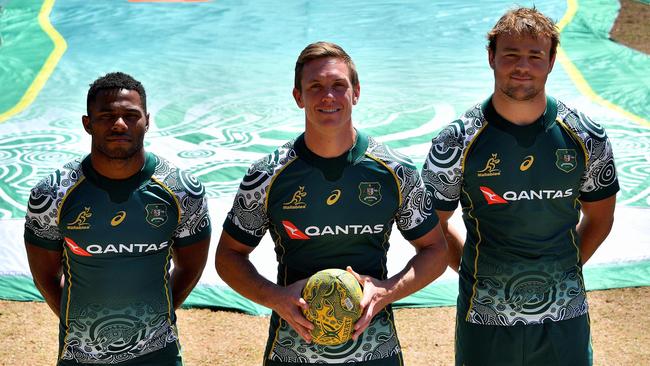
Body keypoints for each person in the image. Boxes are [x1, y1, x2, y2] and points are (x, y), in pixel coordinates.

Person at [215, 41, 448, 365]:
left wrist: (386, 291)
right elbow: (228, 256)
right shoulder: (267, 175)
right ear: (298, 96)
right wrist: (277, 297)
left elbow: (435, 250)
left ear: (356, 92)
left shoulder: (395, 171)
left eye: (339, 85)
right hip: (292, 352)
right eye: (316, 86)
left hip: (375, 352)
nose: (328, 96)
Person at [422, 7, 619, 366]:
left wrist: (562, 269)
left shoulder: (588, 136)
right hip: (486, 317)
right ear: (491, 57)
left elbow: (600, 218)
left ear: (552, 60)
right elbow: (431, 225)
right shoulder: (456, 140)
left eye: (534, 56)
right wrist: (475, 270)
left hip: (565, 315)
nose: (522, 66)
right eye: (511, 54)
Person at [24, 72, 211, 365]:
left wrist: (153, 323)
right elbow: (45, 276)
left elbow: (191, 267)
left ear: (147, 120)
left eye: (130, 115)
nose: (119, 124)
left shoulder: (182, 190)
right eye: (107, 115)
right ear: (88, 123)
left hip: (158, 354)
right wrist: (83, 328)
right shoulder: (52, 193)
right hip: (81, 356)